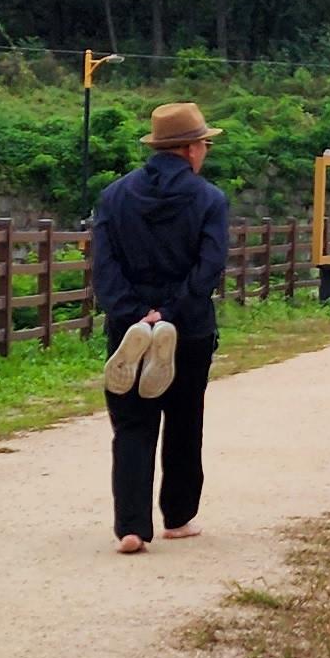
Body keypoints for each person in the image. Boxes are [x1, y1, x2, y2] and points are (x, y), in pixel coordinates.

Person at [90, 99, 231, 554]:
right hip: (187, 325)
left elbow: (104, 267)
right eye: (204, 144)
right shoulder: (209, 199)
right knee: (185, 419)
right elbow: (209, 266)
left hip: (129, 325)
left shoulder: (114, 196)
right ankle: (178, 516)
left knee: (132, 423)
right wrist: (170, 313)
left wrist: (136, 312)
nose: (205, 151)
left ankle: (132, 527)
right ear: (190, 149)